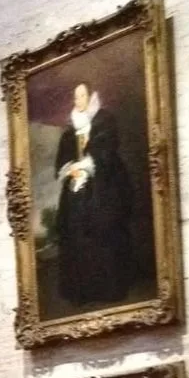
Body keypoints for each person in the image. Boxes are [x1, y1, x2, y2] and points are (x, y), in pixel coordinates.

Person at [54, 81, 134, 307]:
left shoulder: (104, 121)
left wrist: (88, 166)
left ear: (90, 97)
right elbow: (62, 160)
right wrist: (71, 169)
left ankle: (108, 289)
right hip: (76, 191)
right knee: (76, 235)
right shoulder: (69, 132)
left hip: (103, 188)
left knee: (102, 233)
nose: (77, 100)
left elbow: (107, 152)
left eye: (81, 96)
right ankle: (81, 291)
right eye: (75, 96)